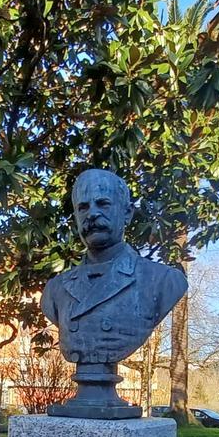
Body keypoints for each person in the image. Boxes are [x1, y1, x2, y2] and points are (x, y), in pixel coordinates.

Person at [40, 169, 187, 416]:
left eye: (103, 203)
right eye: (83, 207)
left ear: (127, 213)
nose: (92, 214)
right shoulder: (55, 290)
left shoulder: (162, 281)